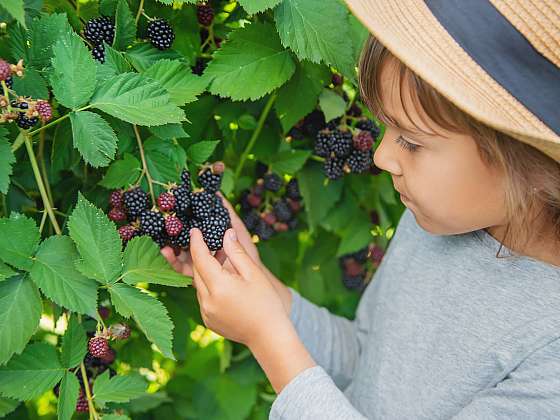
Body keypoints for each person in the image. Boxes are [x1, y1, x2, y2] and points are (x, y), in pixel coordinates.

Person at [161, 0, 560, 418]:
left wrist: (268, 338)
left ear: (525, 160)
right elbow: (365, 360)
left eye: (413, 142)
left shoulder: (549, 357)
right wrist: (263, 293)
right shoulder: (436, 225)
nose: (382, 156)